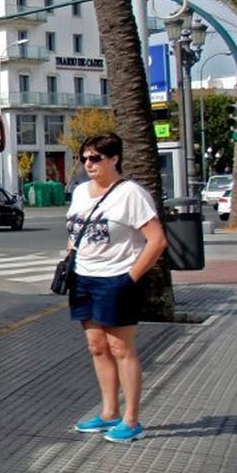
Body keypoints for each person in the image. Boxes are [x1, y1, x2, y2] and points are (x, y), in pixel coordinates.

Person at [65, 132, 167, 444]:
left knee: (122, 348)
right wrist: (70, 256)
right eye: (84, 158)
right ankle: (108, 412)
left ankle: (132, 419)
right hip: (84, 278)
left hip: (116, 279)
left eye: (95, 158)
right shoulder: (81, 192)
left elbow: (157, 240)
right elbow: (75, 229)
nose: (88, 164)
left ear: (114, 159)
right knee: (96, 346)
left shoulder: (130, 194)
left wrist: (130, 278)